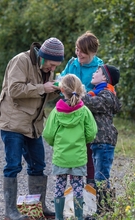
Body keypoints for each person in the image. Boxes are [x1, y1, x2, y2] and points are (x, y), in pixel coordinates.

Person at [0, 37, 64, 220]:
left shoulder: (46, 69)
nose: (53, 69)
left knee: (38, 165)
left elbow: (40, 97)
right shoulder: (21, 60)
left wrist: (55, 90)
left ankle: (39, 207)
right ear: (43, 56)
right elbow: (14, 90)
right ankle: (10, 211)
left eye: (56, 66)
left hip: (33, 125)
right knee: (13, 166)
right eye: (51, 64)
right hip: (13, 123)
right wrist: (43, 87)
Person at [42, 74, 98, 220]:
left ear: (62, 89)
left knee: (59, 187)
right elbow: (92, 133)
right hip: (78, 157)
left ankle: (59, 218)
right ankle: (79, 217)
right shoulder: (84, 111)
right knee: (78, 188)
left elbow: (48, 134)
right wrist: (82, 142)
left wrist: (57, 145)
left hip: (61, 157)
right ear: (80, 90)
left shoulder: (56, 112)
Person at [60, 31, 103, 187]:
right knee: (72, 150)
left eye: (82, 51)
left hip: (88, 115)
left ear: (92, 51)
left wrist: (83, 97)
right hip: (70, 113)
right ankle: (73, 189)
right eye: (77, 49)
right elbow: (62, 81)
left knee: (89, 153)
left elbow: (103, 92)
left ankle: (91, 187)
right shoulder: (72, 63)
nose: (78, 53)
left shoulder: (100, 68)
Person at [82, 64, 121, 216]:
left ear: (105, 77)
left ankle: (105, 211)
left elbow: (91, 104)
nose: (94, 73)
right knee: (100, 176)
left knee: (101, 177)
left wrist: (75, 94)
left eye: (97, 71)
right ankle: (102, 210)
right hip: (98, 142)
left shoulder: (107, 95)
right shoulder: (99, 92)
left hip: (104, 142)